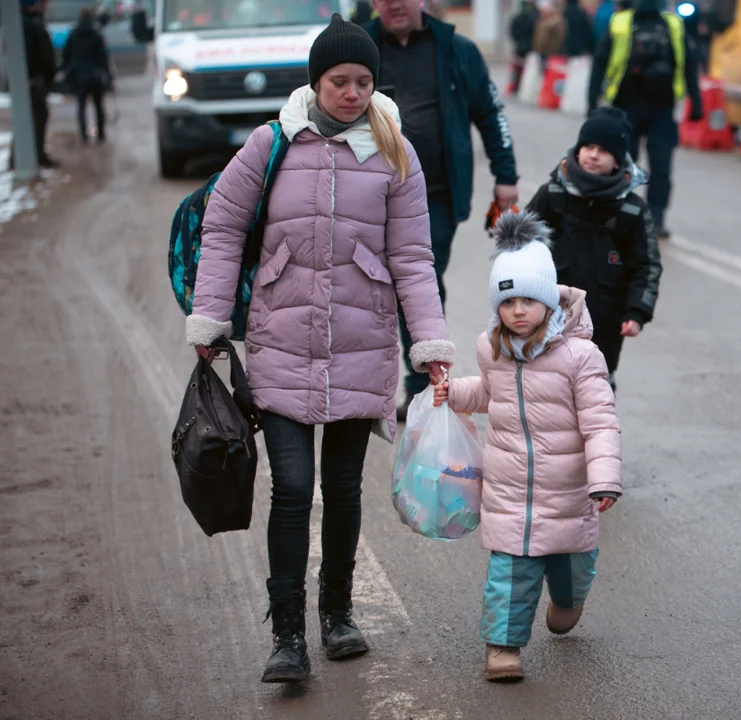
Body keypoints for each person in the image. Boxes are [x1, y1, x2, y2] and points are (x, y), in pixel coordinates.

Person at [185, 14, 455, 683]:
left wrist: (428, 341)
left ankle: (337, 616)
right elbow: (220, 226)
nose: (353, 93)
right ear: (316, 81)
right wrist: (211, 318)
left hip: (360, 345)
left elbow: (413, 258)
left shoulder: (395, 153)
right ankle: (286, 636)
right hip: (282, 339)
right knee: (293, 487)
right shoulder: (271, 143)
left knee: (340, 488)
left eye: (364, 81)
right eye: (341, 80)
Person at [431, 210, 623, 682]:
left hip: (568, 492)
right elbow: (488, 394)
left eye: (529, 300)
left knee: (571, 568)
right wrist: (455, 393)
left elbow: (600, 422)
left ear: (549, 302)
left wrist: (604, 478)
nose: (518, 310)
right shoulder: (491, 350)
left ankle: (569, 599)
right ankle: (503, 647)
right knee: (510, 576)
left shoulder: (580, 357)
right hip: (510, 490)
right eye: (507, 300)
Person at [362, 0, 519, 419]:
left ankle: (422, 387)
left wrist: (506, 174)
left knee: (419, 282)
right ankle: (374, 383)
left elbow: (490, 114)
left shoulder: (456, 50)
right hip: (368, 195)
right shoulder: (360, 45)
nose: (394, 4)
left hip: (436, 196)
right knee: (377, 289)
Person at [524, 107, 661, 392]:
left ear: (618, 161)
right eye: (588, 146)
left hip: (605, 321)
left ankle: (594, 437)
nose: (593, 155)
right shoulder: (553, 195)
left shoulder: (631, 208)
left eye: (603, 150)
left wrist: (636, 311)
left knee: (594, 392)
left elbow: (646, 265)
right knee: (545, 390)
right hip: (549, 316)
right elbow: (519, 248)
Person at [588, 0, 702, 240]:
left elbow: (688, 63)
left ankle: (651, 217)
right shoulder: (624, 23)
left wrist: (592, 103)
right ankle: (623, 214)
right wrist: (592, 102)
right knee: (625, 164)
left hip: (658, 108)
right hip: (629, 106)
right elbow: (601, 61)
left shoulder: (671, 24)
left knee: (654, 166)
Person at [15, 0, 57, 168]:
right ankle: (32, 155)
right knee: (35, 117)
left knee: (35, 116)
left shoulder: (32, 22)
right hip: (33, 80)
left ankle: (33, 154)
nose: (45, 6)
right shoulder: (28, 24)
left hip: (36, 79)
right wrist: (33, 77)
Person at [63, 7, 111, 145]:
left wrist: (68, 70)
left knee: (81, 107)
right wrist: (107, 75)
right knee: (99, 106)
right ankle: (101, 135)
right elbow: (103, 57)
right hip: (95, 76)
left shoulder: (73, 34)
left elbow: (66, 55)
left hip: (79, 76)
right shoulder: (96, 35)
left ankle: (84, 136)